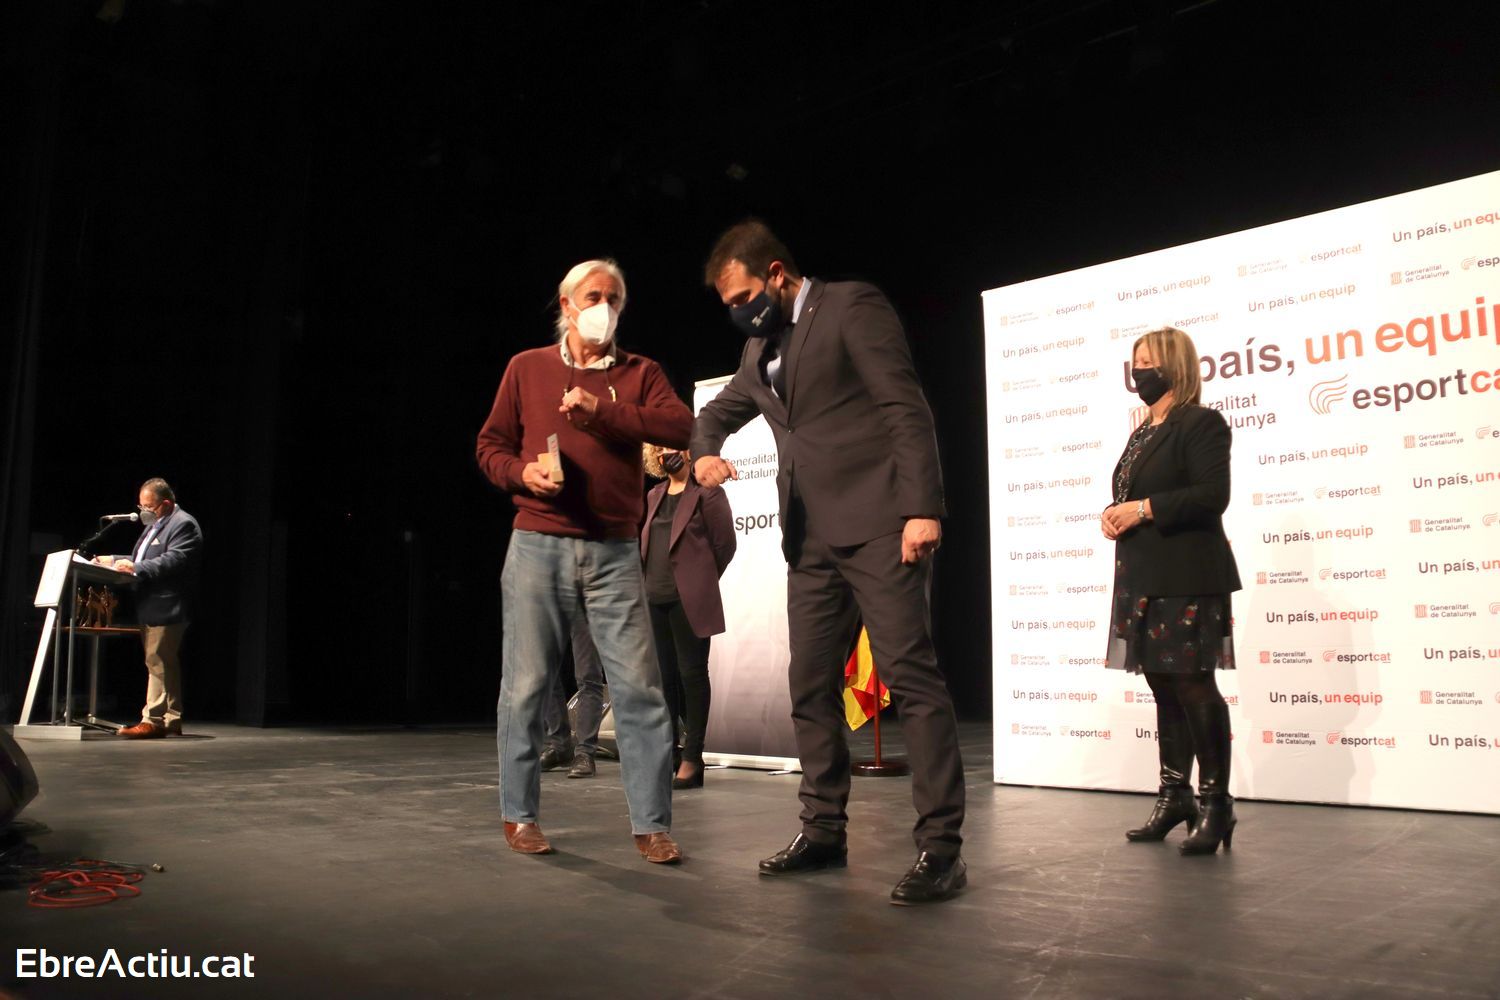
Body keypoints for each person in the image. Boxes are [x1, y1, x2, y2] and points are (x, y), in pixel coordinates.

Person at [691, 220, 966, 904]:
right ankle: (822, 832)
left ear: (777, 274)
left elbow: (904, 406)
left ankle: (941, 848)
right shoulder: (758, 351)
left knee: (911, 678)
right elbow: (715, 414)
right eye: (729, 305)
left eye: (744, 297)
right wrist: (703, 453)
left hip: (880, 525)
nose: (739, 312)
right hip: (809, 540)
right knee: (809, 686)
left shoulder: (851, 306)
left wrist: (922, 508)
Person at [476, 258, 691, 864]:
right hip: (538, 544)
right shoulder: (527, 367)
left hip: (614, 550)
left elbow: (680, 427)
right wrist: (523, 473)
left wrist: (604, 413)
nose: (604, 307)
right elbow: (490, 446)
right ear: (566, 304)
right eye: (593, 296)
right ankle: (519, 815)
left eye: (614, 298)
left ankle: (652, 825)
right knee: (525, 687)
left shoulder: (640, 372)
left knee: (640, 690)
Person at [1102, 326, 1241, 855]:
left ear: (1174, 367)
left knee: (1193, 684)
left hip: (1188, 576)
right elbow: (1134, 493)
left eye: (1148, 363)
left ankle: (1216, 804)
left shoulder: (1201, 423)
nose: (1138, 372)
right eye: (1134, 362)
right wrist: (1114, 513)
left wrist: (1142, 509)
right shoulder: (1142, 431)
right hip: (1143, 575)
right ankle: (1175, 795)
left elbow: (1211, 495)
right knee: (1162, 685)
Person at [640, 442, 736, 790]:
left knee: (692, 676)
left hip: (688, 600)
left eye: (671, 445)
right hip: (654, 597)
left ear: (690, 450)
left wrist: (700, 581)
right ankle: (668, 753)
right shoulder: (654, 494)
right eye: (659, 449)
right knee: (663, 680)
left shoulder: (707, 494)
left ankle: (693, 758)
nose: (666, 453)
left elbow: (725, 545)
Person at [106, 478, 203, 739]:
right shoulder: (156, 524)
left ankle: (152, 719)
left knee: (157, 660)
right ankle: (172, 718)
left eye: (149, 507)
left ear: (166, 503)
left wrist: (135, 568)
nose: (144, 511)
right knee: (165, 662)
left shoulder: (183, 524)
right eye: (141, 506)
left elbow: (174, 559)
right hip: (150, 604)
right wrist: (112, 560)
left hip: (168, 604)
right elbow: (141, 558)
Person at [538, 618, 607, 779]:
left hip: (584, 606)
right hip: (549, 603)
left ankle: (585, 752)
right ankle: (560, 746)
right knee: (545, 673)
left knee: (588, 676)